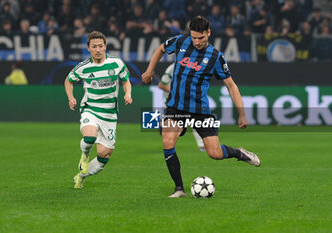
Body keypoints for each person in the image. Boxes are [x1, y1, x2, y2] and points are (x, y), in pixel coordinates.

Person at [142, 16, 261, 198]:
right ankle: (179, 188)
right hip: (176, 107)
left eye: (201, 38)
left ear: (208, 33)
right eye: (194, 37)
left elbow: (231, 85)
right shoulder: (181, 41)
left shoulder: (216, 57)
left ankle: (239, 153)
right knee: (167, 140)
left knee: (214, 153)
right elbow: (160, 49)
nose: (197, 42)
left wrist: (242, 114)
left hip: (200, 111)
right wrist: (149, 71)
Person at [64, 31, 133, 189]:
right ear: (88, 48)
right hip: (91, 109)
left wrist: (128, 93)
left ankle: (81, 176)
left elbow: (125, 81)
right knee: (89, 137)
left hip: (110, 114)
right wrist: (71, 97)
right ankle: (85, 155)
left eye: (100, 46)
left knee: (104, 155)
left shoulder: (117, 63)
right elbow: (68, 80)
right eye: (94, 46)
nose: (98, 49)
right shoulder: (84, 67)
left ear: (105, 46)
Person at [158, 63, 205, 152]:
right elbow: (161, 85)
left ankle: (202, 145)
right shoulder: (172, 68)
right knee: (172, 127)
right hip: (172, 102)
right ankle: (165, 131)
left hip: (186, 101)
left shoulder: (192, 66)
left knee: (195, 121)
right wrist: (175, 92)